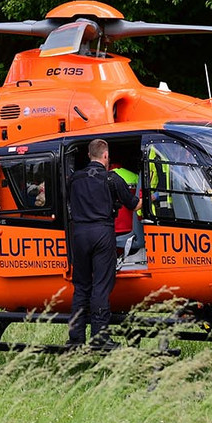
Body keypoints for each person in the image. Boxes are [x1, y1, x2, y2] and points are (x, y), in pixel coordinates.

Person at [67, 139, 139, 348]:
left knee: (80, 286)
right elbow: (133, 205)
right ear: (105, 156)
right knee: (101, 285)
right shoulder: (112, 179)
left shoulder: (74, 179)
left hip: (79, 235)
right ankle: (99, 338)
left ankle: (75, 337)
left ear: (89, 155)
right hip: (102, 233)